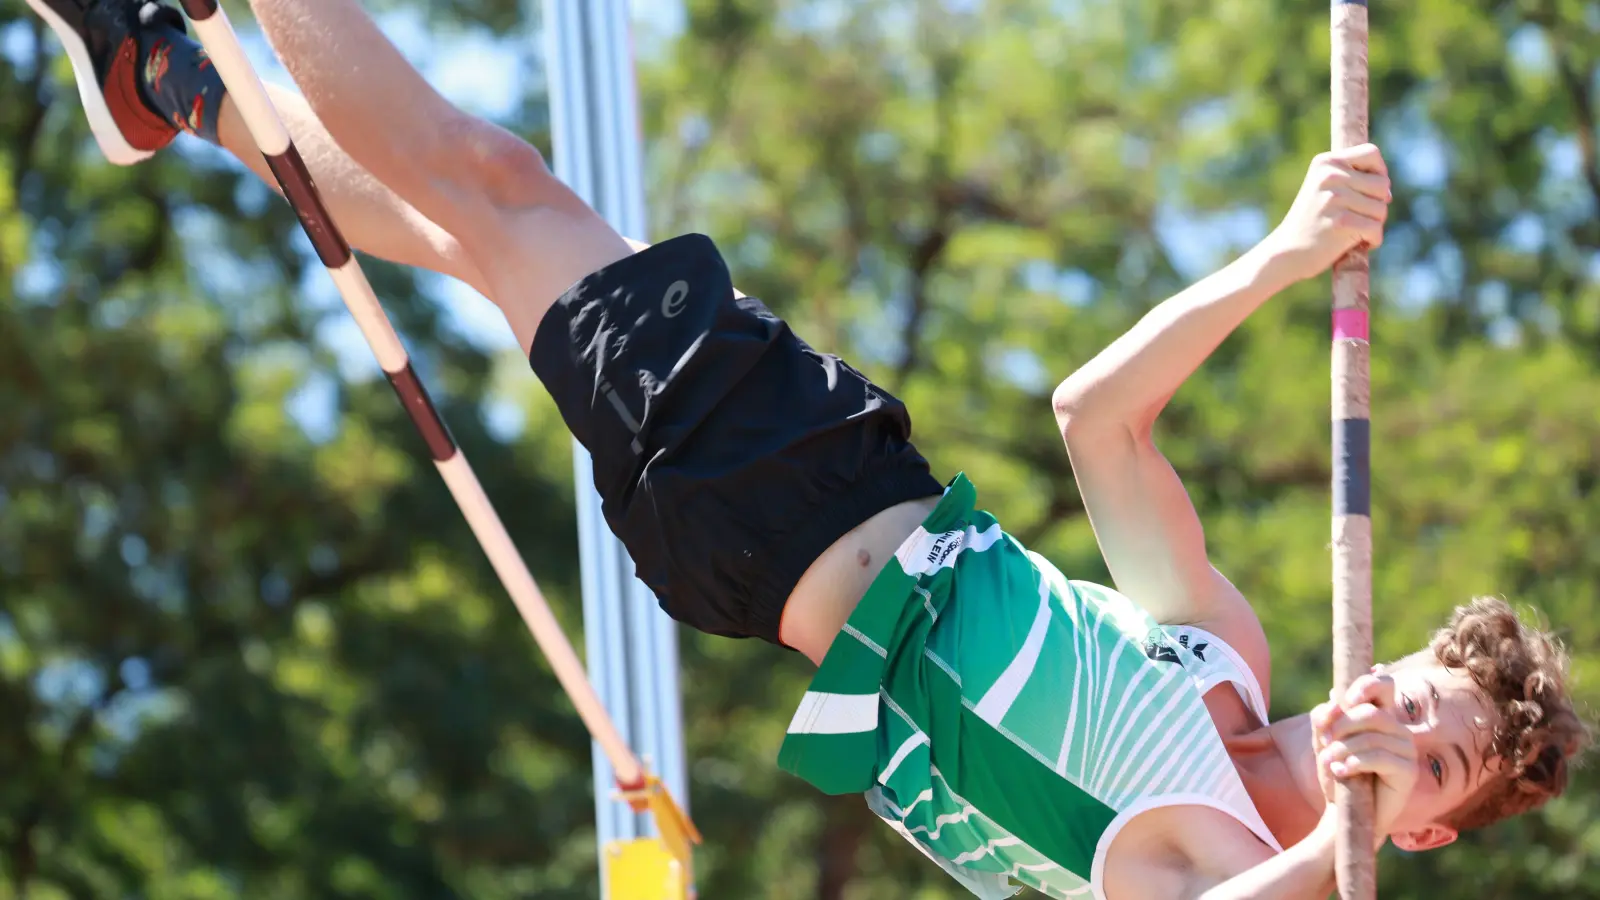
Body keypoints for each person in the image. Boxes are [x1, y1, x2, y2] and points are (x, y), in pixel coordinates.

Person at [31, 1, 1589, 897]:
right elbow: (1093, 419)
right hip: (842, 466)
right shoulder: (1228, 655)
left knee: (493, 182)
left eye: (1433, 758)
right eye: (1414, 692)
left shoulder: (1239, 860)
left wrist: (1337, 837)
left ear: (1437, 823)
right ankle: (166, 76)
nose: (1388, 719)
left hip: (772, 524)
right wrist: (1275, 260)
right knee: (481, 232)